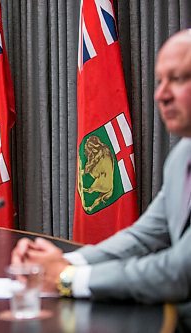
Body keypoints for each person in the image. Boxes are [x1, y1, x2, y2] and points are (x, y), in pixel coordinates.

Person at [12, 29, 191, 327]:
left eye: (180, 78)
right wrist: (63, 263)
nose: (161, 94)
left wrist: (68, 278)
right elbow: (142, 237)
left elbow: (180, 272)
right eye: (160, 81)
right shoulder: (182, 156)